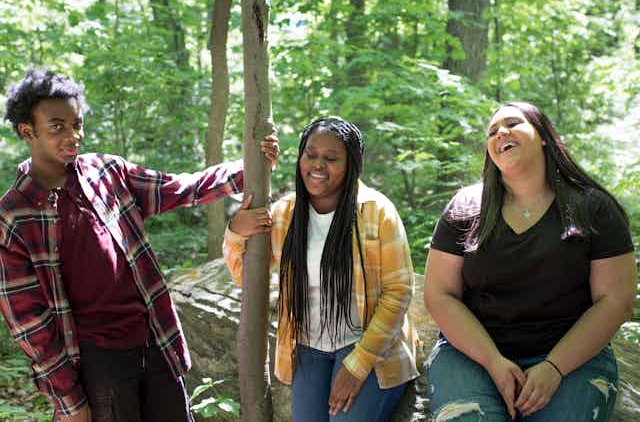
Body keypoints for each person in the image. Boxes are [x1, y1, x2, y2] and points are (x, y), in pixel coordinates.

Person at [0, 69, 278, 422]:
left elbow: (180, 188)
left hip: (154, 342)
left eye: (77, 124)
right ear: (28, 132)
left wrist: (250, 167)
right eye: (57, 127)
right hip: (96, 365)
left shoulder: (105, 173)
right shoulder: (14, 216)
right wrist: (69, 401)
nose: (73, 136)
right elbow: (30, 325)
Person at [423, 101, 637, 422]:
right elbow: (439, 294)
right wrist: (494, 362)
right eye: (492, 131)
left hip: (571, 358)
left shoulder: (593, 208)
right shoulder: (465, 207)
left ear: (544, 136)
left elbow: (615, 300)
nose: (500, 133)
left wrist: (554, 367)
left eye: (512, 123)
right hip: (471, 354)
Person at [224, 116, 418, 422]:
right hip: (308, 348)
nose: (317, 165)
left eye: (331, 158)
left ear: (351, 164)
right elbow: (244, 277)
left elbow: (399, 291)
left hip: (369, 347)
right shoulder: (285, 215)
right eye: (310, 155)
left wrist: (357, 365)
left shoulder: (376, 211)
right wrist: (235, 231)